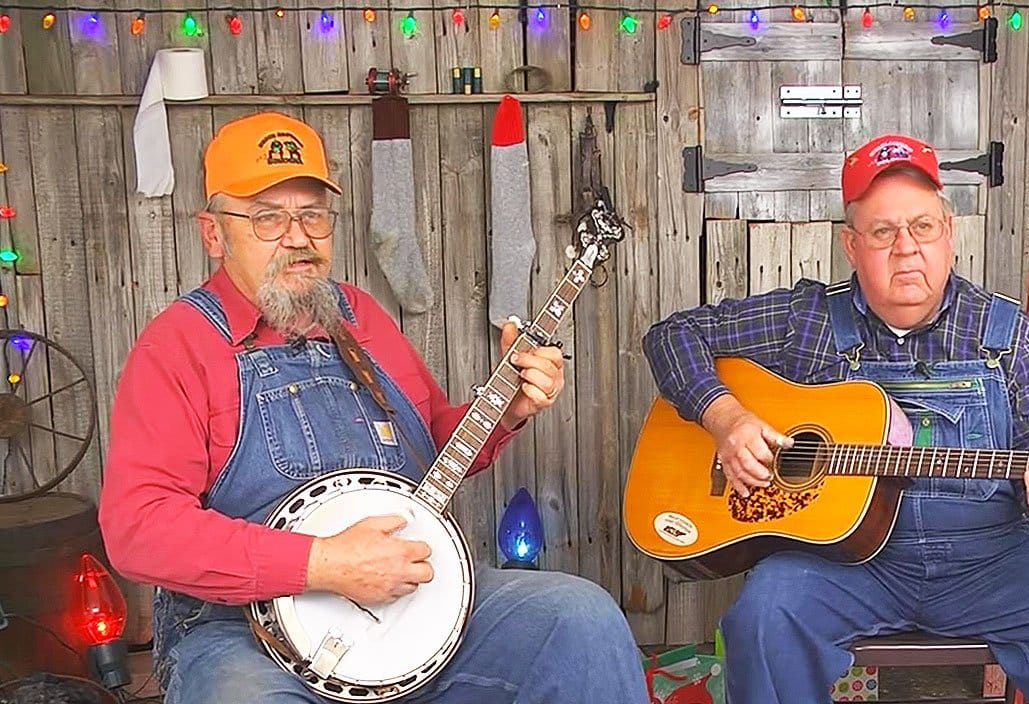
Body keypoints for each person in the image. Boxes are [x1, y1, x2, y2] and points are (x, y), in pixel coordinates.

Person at [98, 111, 649, 704]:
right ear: (214, 233)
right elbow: (138, 530)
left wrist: (504, 410)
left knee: (579, 618)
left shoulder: (361, 317)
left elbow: (436, 443)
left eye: (312, 214)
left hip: (412, 605)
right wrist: (322, 563)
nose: (298, 236)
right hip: (244, 636)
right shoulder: (179, 346)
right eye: (267, 218)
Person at [641, 134, 1029, 704]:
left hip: (991, 563)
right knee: (762, 619)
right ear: (851, 245)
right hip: (844, 568)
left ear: (949, 233)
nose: (906, 249)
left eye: (923, 227)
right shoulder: (808, 319)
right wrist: (728, 420)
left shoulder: (1007, 330)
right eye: (883, 232)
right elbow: (671, 336)